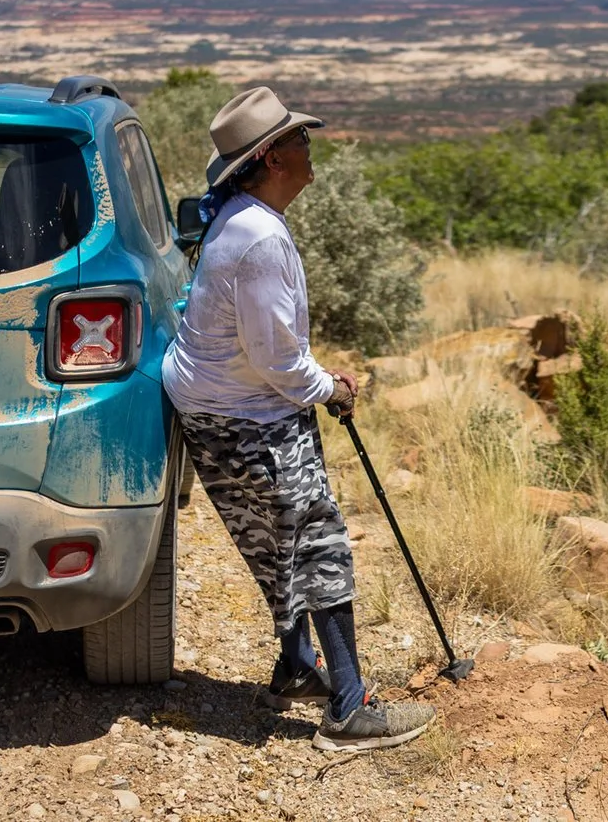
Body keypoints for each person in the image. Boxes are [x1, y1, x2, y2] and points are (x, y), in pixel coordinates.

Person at [160, 85, 436, 753]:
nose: (310, 147)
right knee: (319, 547)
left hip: (214, 412)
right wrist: (334, 388)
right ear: (270, 157)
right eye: (299, 139)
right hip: (253, 418)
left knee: (273, 545)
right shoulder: (259, 239)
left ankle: (296, 666)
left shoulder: (237, 220)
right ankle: (348, 706)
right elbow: (278, 360)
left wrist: (313, 377)